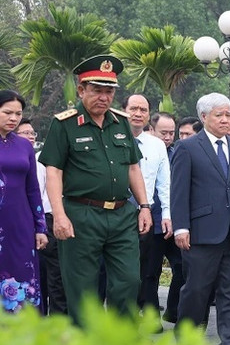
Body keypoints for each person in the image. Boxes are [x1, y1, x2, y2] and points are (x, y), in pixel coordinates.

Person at [40, 56, 152, 324]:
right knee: (82, 287)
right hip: (81, 214)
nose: (104, 97)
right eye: (97, 90)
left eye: (109, 91)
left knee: (129, 279)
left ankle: (119, 337)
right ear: (81, 90)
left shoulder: (121, 122)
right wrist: (59, 215)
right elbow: (53, 172)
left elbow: (133, 168)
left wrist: (145, 206)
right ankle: (85, 341)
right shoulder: (64, 123)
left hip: (122, 215)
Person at [171, 92, 230, 345]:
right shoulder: (187, 147)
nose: (226, 120)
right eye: (219, 115)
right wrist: (181, 227)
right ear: (204, 116)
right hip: (201, 232)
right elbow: (179, 191)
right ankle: (186, 338)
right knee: (196, 289)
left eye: (229, 115)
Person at [123, 94, 171, 319]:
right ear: (123, 111)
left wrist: (167, 214)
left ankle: (140, 315)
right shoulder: (110, 138)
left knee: (145, 269)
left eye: (143, 110)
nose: (138, 114)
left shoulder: (156, 145)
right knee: (117, 270)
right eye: (133, 109)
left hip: (145, 214)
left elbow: (164, 183)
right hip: (115, 211)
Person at [0, 91, 48, 313]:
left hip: (21, 223)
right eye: (7, 112)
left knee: (23, 273)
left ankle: (24, 326)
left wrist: (40, 227)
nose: (13, 118)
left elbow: (33, 189)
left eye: (18, 114)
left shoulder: (24, 145)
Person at [18, 117, 66, 314]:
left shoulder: (41, 158)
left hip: (52, 220)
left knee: (56, 275)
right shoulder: (30, 161)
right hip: (32, 221)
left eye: (32, 133)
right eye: (25, 133)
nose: (30, 137)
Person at [148, 112, 184, 324]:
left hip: (175, 222)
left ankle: (173, 310)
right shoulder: (141, 151)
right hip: (151, 221)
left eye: (172, 133)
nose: (168, 137)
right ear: (151, 130)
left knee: (182, 267)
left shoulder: (178, 153)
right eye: (163, 133)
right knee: (150, 272)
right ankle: (151, 316)